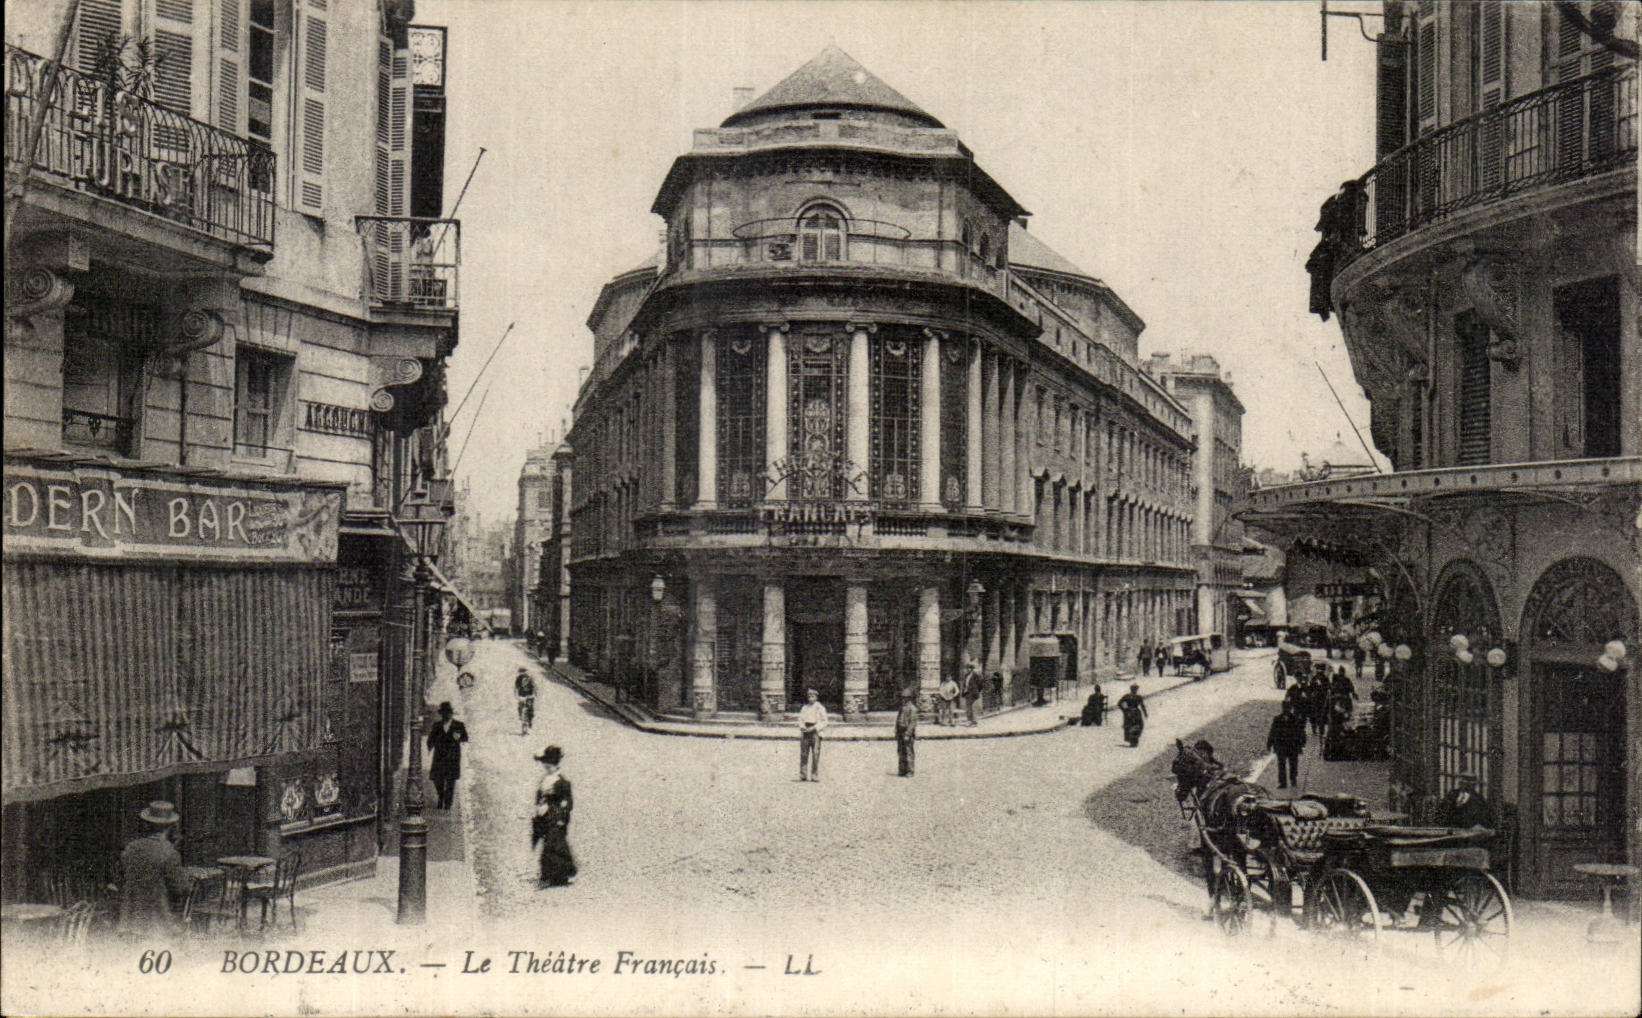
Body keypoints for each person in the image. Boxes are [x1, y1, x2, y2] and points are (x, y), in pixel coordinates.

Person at [118, 801, 191, 939]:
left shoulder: (130, 848)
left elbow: (120, 879)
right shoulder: (169, 853)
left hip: (128, 922)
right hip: (158, 924)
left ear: (146, 824)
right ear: (169, 827)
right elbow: (180, 889)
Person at [531, 746, 577, 887]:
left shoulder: (562, 782)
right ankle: (557, 875)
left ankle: (554, 877)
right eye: (546, 766)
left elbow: (566, 802)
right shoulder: (546, 779)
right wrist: (539, 807)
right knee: (551, 845)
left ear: (556, 765)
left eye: (550, 766)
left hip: (555, 818)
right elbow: (541, 796)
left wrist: (561, 819)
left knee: (554, 846)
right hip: (545, 817)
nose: (547, 768)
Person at [427, 701, 469, 810]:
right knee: (438, 780)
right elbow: (430, 739)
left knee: (451, 781)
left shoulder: (459, 725)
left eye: (449, 712)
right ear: (442, 714)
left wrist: (459, 737)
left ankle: (448, 803)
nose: (447, 715)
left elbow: (465, 738)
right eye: (445, 713)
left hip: (452, 758)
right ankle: (441, 796)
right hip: (439, 757)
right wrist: (430, 746)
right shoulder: (437, 726)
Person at [1266, 702, 1308, 790]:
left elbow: (1301, 732)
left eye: (1288, 708)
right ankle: (1282, 782)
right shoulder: (1277, 719)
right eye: (1285, 708)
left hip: (1292, 746)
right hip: (1281, 746)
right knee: (1281, 765)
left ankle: (1293, 779)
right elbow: (1272, 732)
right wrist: (1269, 744)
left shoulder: (1296, 719)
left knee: (1293, 764)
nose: (1286, 710)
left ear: (1290, 708)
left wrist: (1302, 743)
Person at [797, 688, 827, 781]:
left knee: (815, 754)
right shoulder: (805, 708)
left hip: (815, 732)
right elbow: (800, 719)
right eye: (809, 696)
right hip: (806, 730)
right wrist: (802, 727)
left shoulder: (820, 708)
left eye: (812, 696)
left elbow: (825, 721)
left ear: (816, 697)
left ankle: (814, 775)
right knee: (804, 753)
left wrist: (814, 728)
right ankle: (803, 774)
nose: (810, 698)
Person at [894, 691, 918, 777]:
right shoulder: (902, 708)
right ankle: (902, 770)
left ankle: (910, 770)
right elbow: (898, 720)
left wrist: (908, 734)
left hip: (907, 731)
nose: (903, 699)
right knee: (901, 751)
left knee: (908, 751)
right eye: (903, 697)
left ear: (909, 698)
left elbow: (912, 723)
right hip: (900, 731)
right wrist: (896, 731)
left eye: (905, 698)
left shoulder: (912, 709)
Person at [515, 667, 537, 736]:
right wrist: (517, 695)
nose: (523, 674)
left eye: (524, 672)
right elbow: (516, 687)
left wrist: (533, 694)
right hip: (522, 695)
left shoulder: (530, 678)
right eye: (521, 672)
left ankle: (530, 721)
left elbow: (534, 687)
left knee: (530, 709)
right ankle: (521, 716)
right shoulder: (519, 678)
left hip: (529, 696)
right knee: (520, 706)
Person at [962, 661, 984, 727]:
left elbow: (980, 684)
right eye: (967, 668)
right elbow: (965, 684)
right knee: (968, 708)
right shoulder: (966, 676)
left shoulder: (976, 675)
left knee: (973, 708)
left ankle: (974, 722)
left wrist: (977, 691)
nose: (968, 669)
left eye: (970, 668)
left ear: (972, 669)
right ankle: (969, 721)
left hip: (973, 694)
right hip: (967, 693)